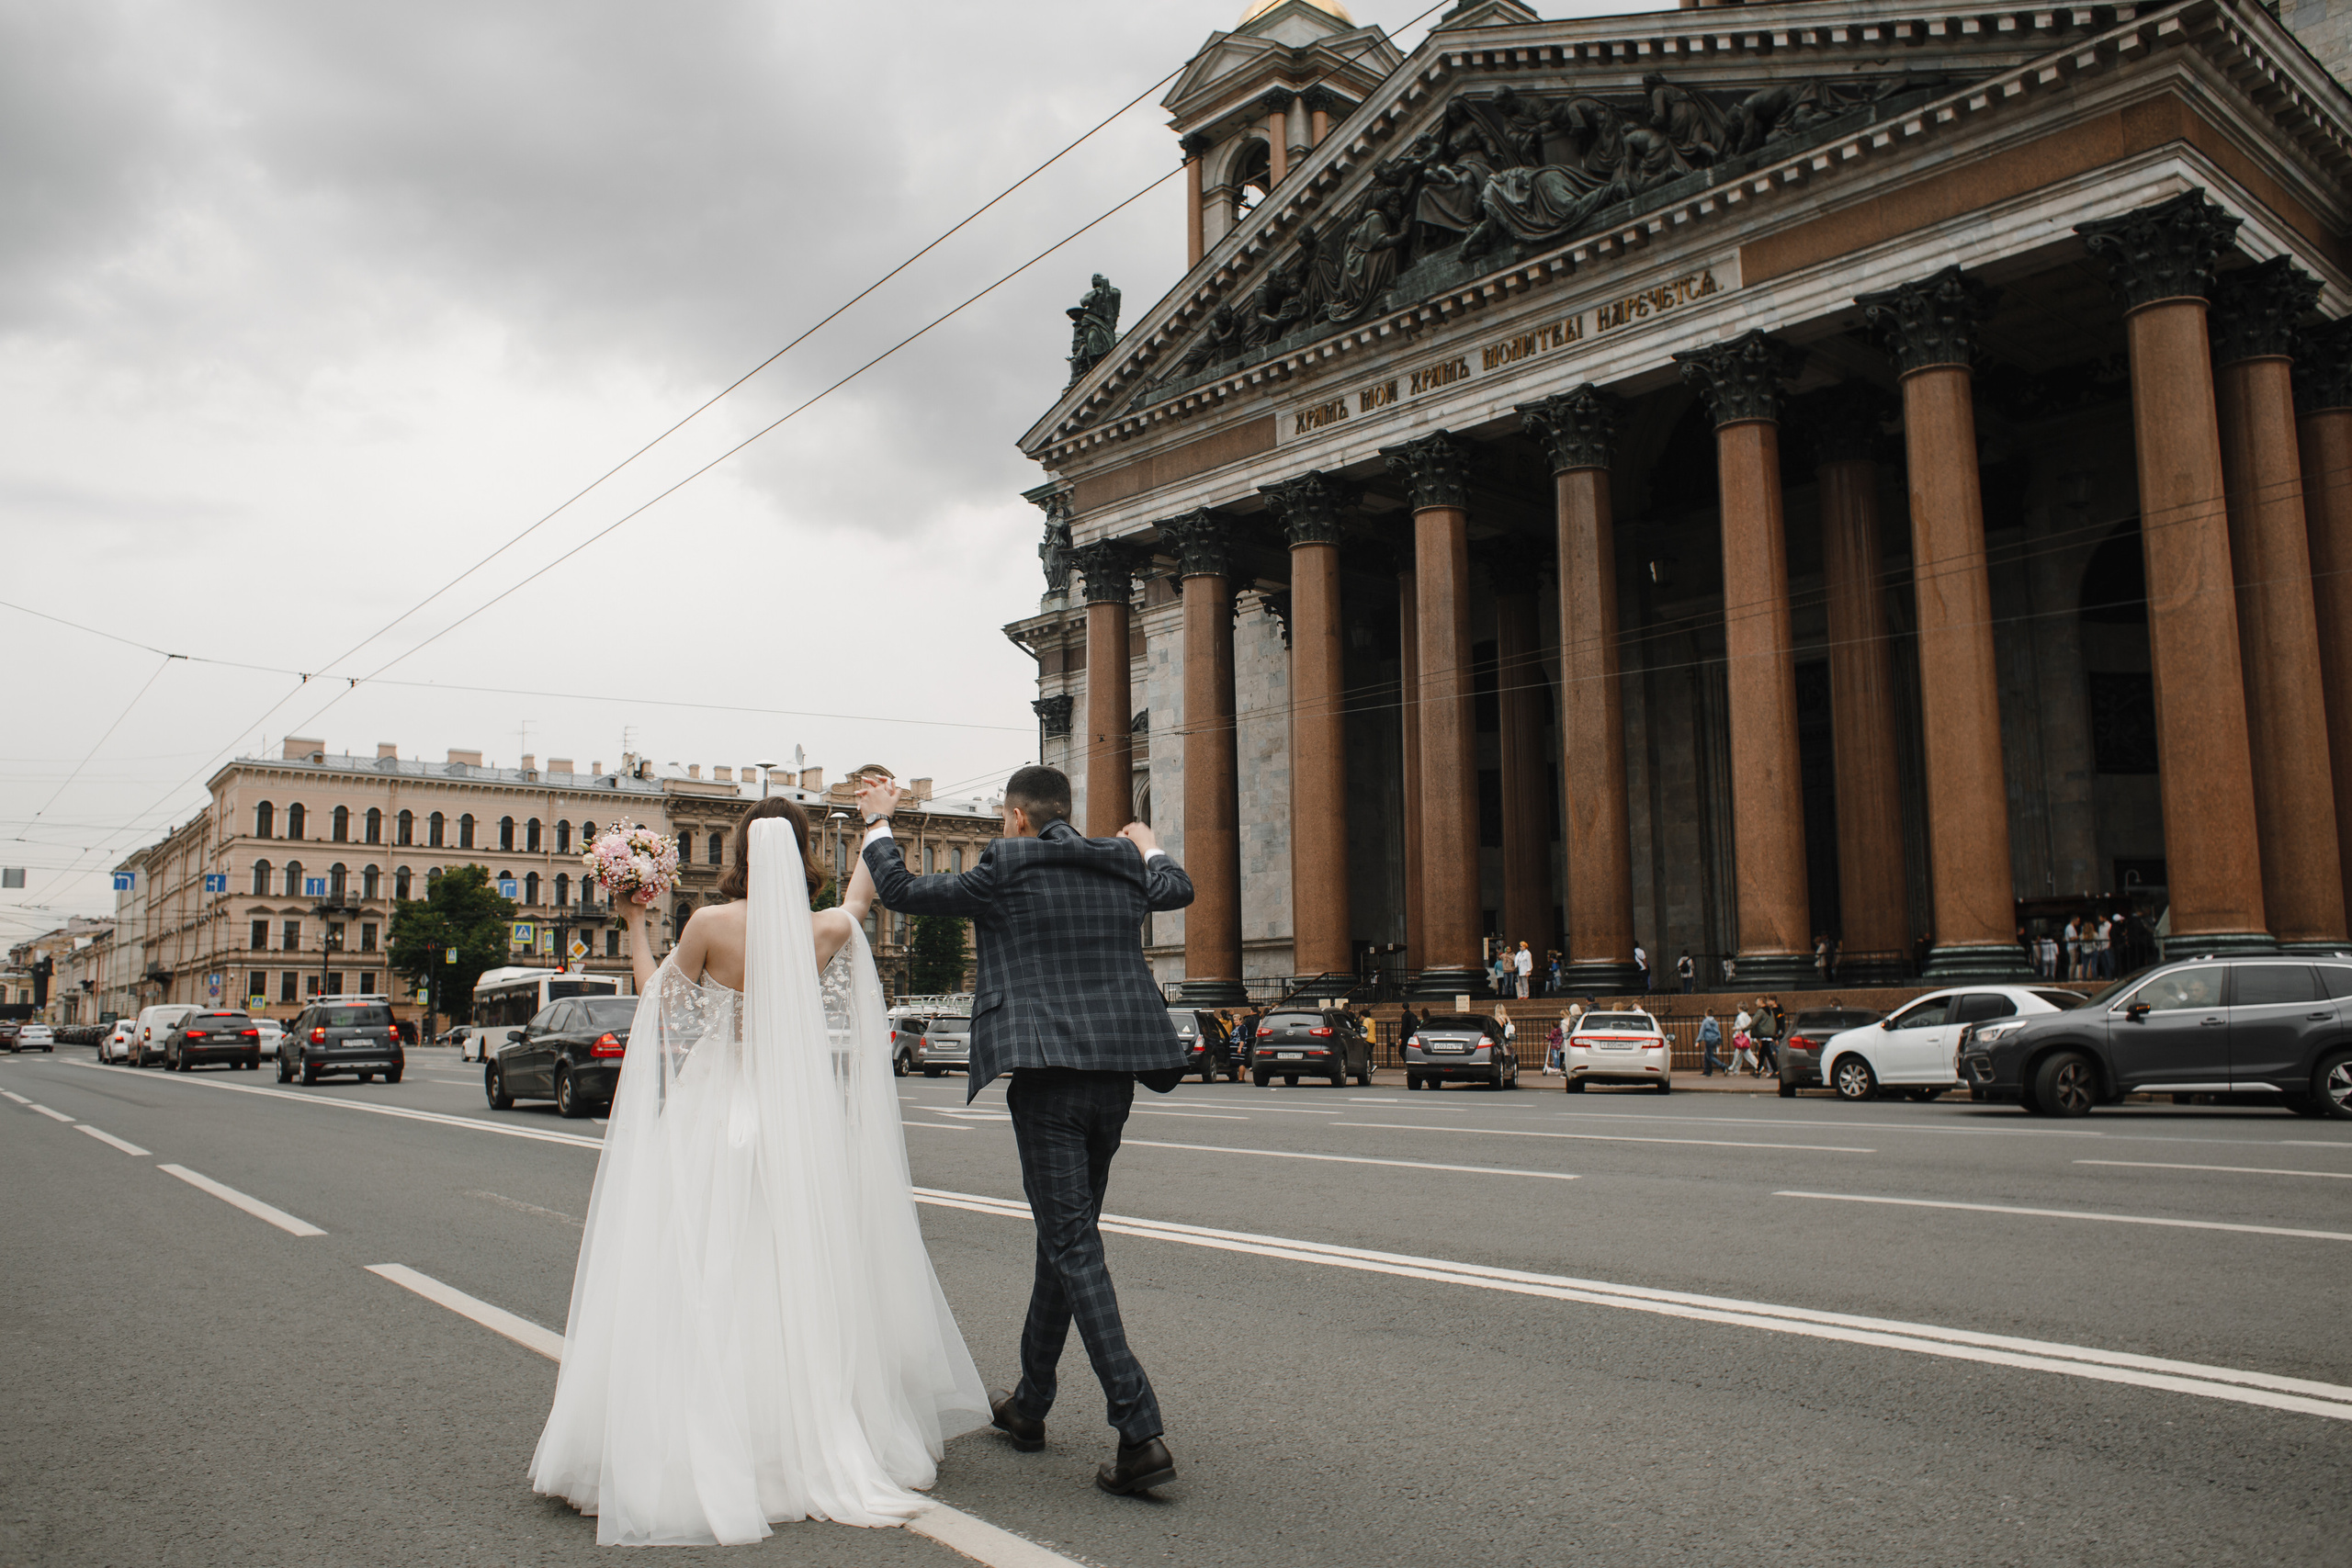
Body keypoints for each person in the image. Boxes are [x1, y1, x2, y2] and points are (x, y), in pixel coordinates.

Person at [532, 798, 989, 1546]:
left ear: (738, 854)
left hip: (716, 1109)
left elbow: (656, 1005)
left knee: (698, 1266)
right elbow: (860, 894)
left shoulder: (710, 927)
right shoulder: (829, 931)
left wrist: (633, 918)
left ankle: (697, 1432)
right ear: (806, 854)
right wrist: (878, 817)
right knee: (792, 1269)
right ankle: (799, 1432)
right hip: (795, 1119)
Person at [860, 765, 1195, 1497]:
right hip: (1115, 1074)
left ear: (1014, 818)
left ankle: (1139, 1428)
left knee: (1072, 1242)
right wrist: (1149, 843)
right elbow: (1177, 890)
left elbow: (905, 891)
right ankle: (1030, 1403)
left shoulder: (1005, 865)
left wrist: (879, 821)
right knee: (1063, 1237)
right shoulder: (1118, 859)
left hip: (1047, 1076)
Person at [1754, 996, 1782, 1077]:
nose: (1756, 1003)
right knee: (1762, 1054)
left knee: (1768, 1054)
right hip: (1766, 1036)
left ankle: (1775, 1070)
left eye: (1757, 1001)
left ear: (1761, 1001)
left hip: (1767, 1036)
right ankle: (1758, 1071)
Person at [1728, 1006, 1757, 1076]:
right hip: (1747, 1037)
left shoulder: (1740, 1016)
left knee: (1743, 1054)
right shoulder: (1748, 1017)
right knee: (1740, 1054)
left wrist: (1736, 1028)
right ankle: (1736, 1069)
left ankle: (1758, 1066)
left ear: (1740, 1009)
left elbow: (1743, 1026)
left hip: (1742, 1038)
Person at [1697, 1011, 1724, 1077]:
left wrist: (1698, 1040)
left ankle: (1723, 1066)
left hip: (1709, 1040)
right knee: (1706, 1056)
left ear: (1706, 1014)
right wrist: (1719, 1040)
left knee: (1710, 1056)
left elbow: (1702, 1031)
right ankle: (1707, 1071)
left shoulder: (1705, 1021)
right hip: (1715, 1039)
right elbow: (1718, 1031)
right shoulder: (1715, 1022)